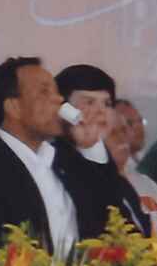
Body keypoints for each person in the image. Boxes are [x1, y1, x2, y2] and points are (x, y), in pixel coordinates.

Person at [0, 57, 78, 256]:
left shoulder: (66, 162)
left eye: (57, 92)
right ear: (13, 107)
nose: (59, 99)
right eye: (44, 92)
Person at [54, 65, 149, 242]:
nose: (101, 111)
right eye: (89, 102)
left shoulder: (105, 160)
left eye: (107, 104)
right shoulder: (52, 157)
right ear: (64, 109)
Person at [109, 101, 157, 235]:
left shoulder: (142, 180)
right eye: (114, 132)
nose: (122, 138)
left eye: (140, 121)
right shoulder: (97, 186)